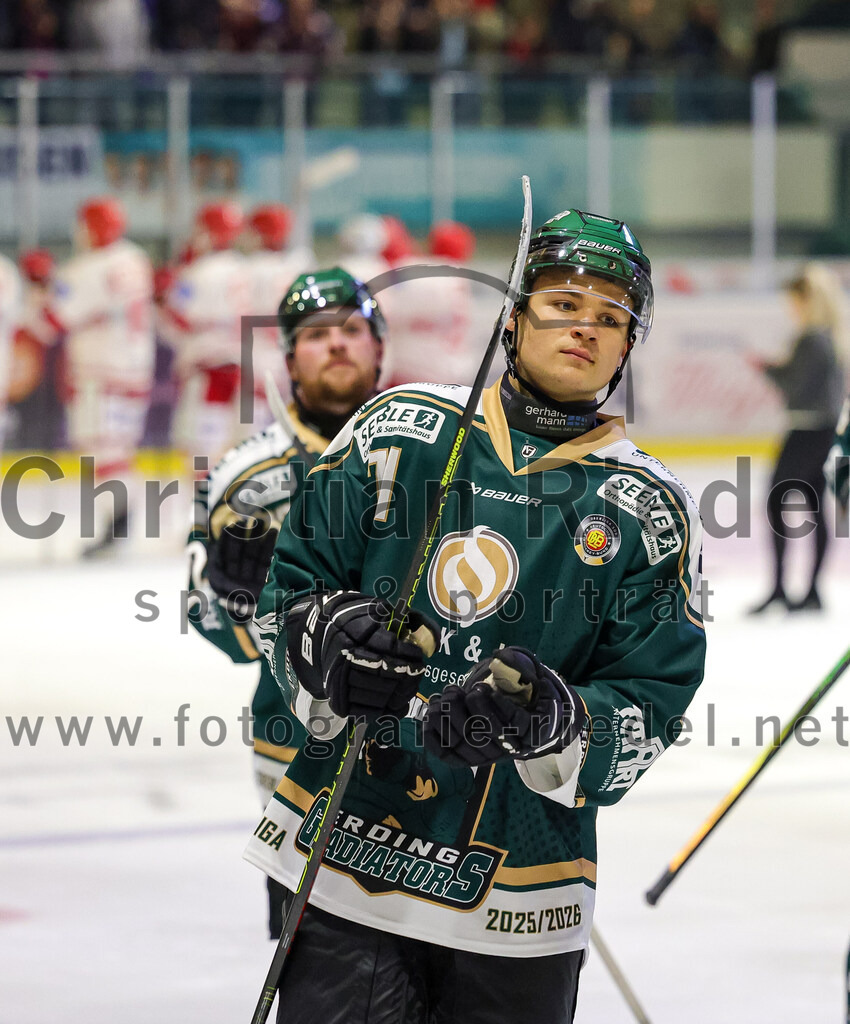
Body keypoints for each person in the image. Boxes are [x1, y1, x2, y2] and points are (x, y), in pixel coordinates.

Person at [246, 209, 707, 1023]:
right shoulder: (399, 429)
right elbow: (289, 595)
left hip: (520, 904)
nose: (585, 329)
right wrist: (325, 643)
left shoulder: (650, 508)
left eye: (610, 317)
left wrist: (560, 721)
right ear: (514, 313)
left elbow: (650, 702)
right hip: (347, 858)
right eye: (564, 304)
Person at [188, 267, 387, 940]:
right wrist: (239, 600)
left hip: (434, 752)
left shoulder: (441, 454)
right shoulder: (247, 478)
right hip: (299, 757)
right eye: (317, 335)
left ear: (379, 346)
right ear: (291, 357)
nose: (337, 345)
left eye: (352, 331)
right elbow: (205, 615)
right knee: (317, 974)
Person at [48, 197, 154, 554]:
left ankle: (119, 520)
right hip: (134, 369)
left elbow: (56, 318)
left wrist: (41, 285)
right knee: (116, 447)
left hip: (98, 370)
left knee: (100, 449)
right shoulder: (135, 258)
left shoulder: (83, 267)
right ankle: (120, 519)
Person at [748, 263, 846, 614]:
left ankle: (780, 588)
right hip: (823, 431)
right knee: (815, 507)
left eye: (794, 300)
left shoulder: (813, 338)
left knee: (777, 502)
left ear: (807, 299)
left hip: (807, 430)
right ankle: (810, 591)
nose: (791, 307)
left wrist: (771, 370)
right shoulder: (827, 336)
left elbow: (798, 390)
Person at [162, 201, 252, 462]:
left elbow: (178, 320)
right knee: (223, 444)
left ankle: (207, 501)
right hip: (238, 364)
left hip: (207, 365)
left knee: (200, 449)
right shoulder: (242, 266)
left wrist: (164, 295)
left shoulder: (199, 271)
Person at [243, 204, 314, 425]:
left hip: (261, 348)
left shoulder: (250, 267)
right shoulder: (301, 263)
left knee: (253, 426)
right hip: (295, 349)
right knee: (295, 423)